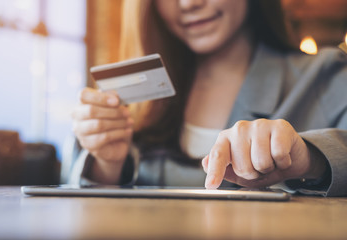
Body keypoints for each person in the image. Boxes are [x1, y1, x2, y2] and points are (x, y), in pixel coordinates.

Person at [70, 0, 347, 196]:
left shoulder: (326, 75)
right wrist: (108, 164)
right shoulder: (133, 95)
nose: (188, 3)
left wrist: (310, 159)